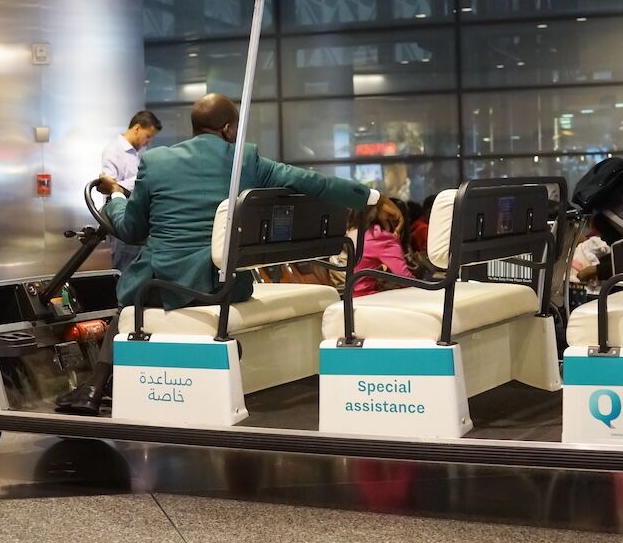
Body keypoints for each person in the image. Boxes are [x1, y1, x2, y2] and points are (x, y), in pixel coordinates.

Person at [57, 93, 387, 415]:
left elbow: (131, 230)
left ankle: (94, 388)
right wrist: (370, 197)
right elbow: (311, 181)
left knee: (127, 306)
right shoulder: (246, 159)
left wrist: (114, 197)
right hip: (222, 287)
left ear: (195, 127)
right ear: (229, 129)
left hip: (159, 286)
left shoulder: (156, 162)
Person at [99, 110, 162, 271]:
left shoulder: (137, 154)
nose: (148, 142)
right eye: (148, 136)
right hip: (121, 215)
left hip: (137, 215)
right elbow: (110, 186)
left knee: (136, 268)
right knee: (125, 268)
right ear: (136, 128)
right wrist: (142, 181)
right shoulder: (113, 151)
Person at [351, 198, 415, 297]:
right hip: (367, 295)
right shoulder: (381, 237)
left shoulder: (359, 232)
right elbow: (405, 279)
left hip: (353, 294)